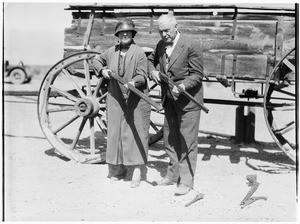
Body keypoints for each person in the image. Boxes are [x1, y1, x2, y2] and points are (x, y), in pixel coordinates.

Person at [148, 14, 204, 195]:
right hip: (169, 99)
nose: (164, 35)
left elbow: (197, 74)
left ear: (176, 26)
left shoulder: (191, 44)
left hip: (188, 101)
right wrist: (153, 72)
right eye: (160, 31)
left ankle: (186, 181)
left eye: (167, 31)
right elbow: (150, 61)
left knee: (187, 141)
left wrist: (182, 86)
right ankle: (172, 175)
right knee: (170, 138)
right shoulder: (161, 45)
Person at [92, 18, 151, 188]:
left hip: (135, 97)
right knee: (115, 131)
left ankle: (137, 170)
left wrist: (134, 82)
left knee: (135, 132)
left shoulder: (139, 53)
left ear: (133, 34)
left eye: (128, 32)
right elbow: (96, 61)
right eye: (121, 32)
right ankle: (118, 170)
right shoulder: (111, 51)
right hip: (115, 97)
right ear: (117, 35)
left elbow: (142, 75)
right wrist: (102, 70)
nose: (125, 35)